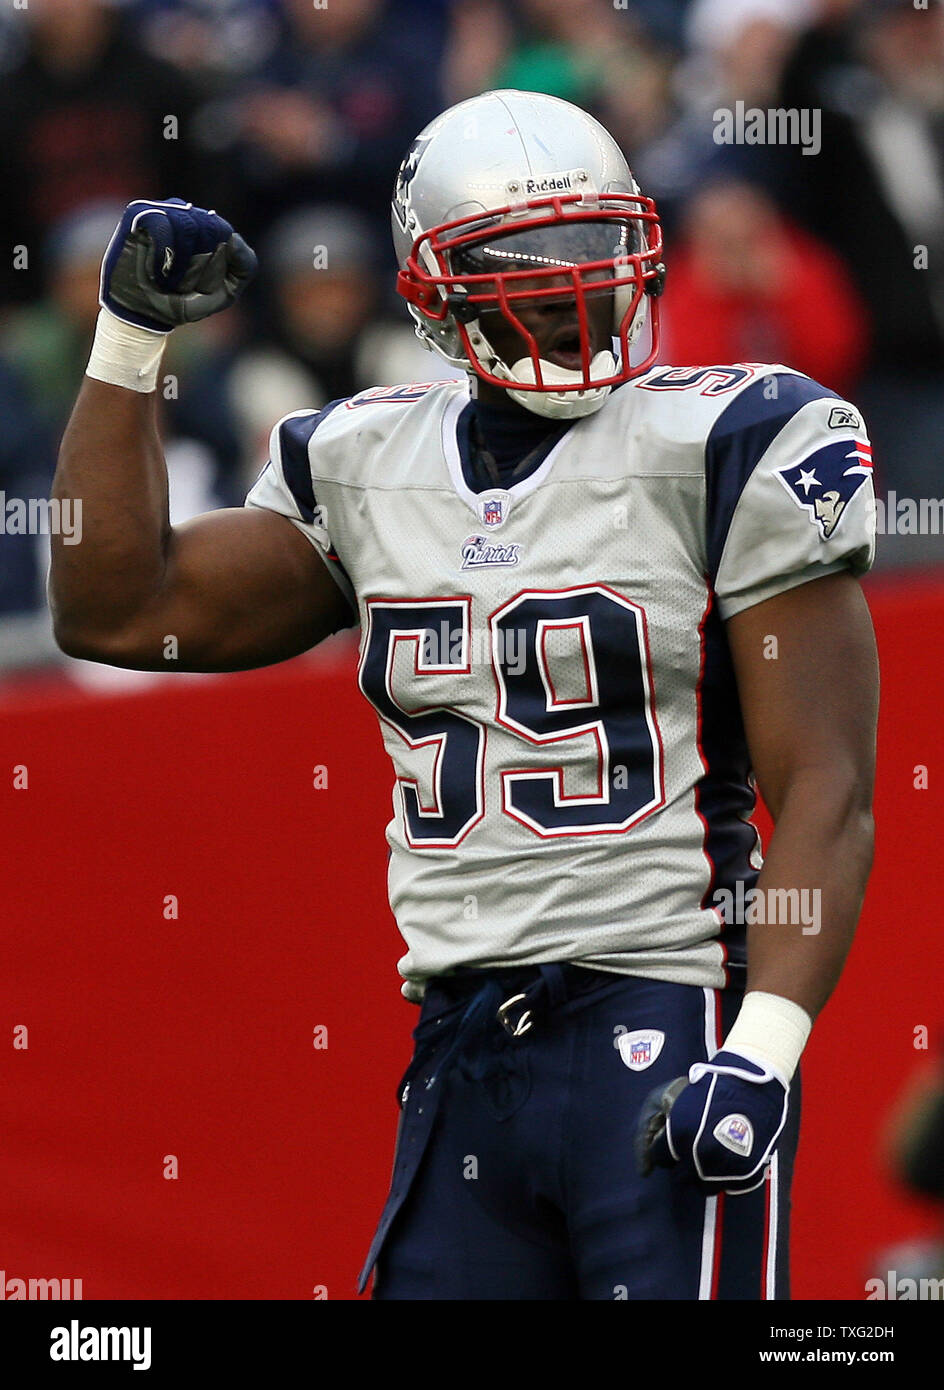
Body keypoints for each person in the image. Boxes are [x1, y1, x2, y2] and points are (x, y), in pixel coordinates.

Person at [48, 91, 879, 1301]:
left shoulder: (734, 439)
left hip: (665, 1005)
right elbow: (116, 607)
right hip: (461, 1032)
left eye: (593, 247)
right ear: (430, 293)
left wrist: (764, 1050)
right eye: (523, 259)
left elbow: (829, 788)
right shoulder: (363, 461)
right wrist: (130, 340)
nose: (572, 284)